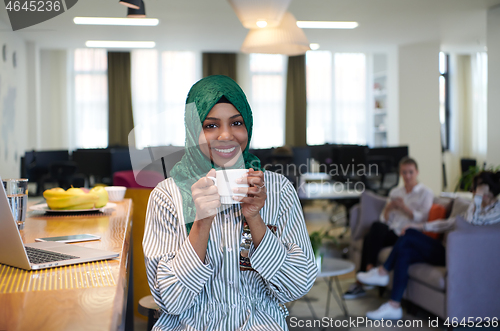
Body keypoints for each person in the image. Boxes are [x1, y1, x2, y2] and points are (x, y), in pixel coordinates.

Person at [143, 75, 317, 331]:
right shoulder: (168, 196)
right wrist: (201, 222)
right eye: (211, 126)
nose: (226, 135)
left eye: (236, 122)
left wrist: (256, 220)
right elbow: (171, 301)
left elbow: (297, 285)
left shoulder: (278, 190)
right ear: (193, 130)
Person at [357, 170, 500, 320]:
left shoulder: (496, 209)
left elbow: (471, 225)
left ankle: (382, 271)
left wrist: (478, 199)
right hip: (450, 251)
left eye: (476, 188)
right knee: (405, 249)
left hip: (459, 258)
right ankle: (394, 305)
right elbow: (449, 223)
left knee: (409, 235)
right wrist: (420, 226)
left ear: (486, 189)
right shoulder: (475, 205)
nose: (472, 192)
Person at [344, 157, 434, 299]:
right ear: (400, 173)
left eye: (410, 172)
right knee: (374, 229)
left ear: (417, 172)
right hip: (392, 231)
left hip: (407, 234)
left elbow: (423, 219)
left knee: (371, 236)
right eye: (404, 172)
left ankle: (363, 280)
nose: (407, 176)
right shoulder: (395, 192)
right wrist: (389, 209)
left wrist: (404, 208)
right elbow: (384, 219)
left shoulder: (426, 193)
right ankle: (369, 271)